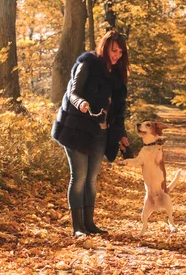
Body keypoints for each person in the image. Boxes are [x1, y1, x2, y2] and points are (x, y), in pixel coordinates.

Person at [51, 31, 130, 236]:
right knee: (79, 177)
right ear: (105, 46)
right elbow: (72, 92)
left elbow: (118, 111)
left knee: (92, 180)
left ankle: (90, 224)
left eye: (120, 52)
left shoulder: (117, 74)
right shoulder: (88, 63)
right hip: (76, 128)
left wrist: (121, 134)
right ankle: (77, 227)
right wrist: (81, 103)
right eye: (114, 50)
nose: (117, 55)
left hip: (101, 132)